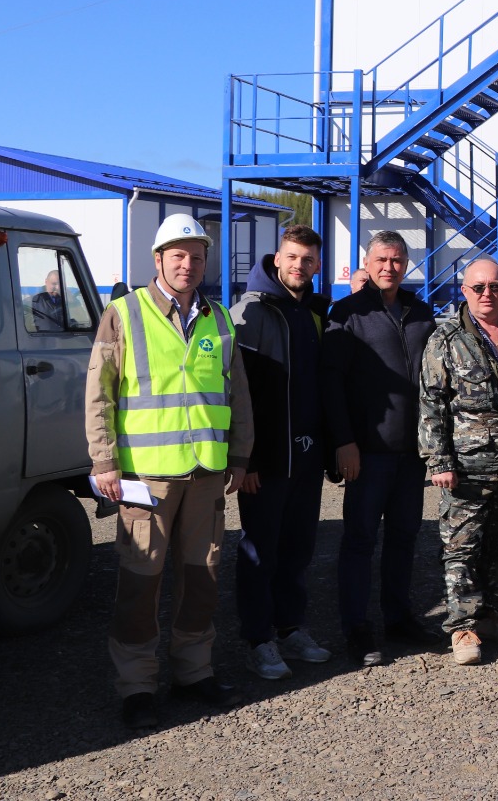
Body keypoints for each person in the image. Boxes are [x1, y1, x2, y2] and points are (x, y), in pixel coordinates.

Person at [85, 213, 254, 729]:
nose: (188, 264)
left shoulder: (220, 319)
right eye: (178, 255)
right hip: (147, 476)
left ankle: (193, 673)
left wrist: (240, 454)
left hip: (205, 472)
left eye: (196, 256)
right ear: (158, 260)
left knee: (201, 577)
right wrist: (104, 460)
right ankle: (137, 684)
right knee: (141, 581)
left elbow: (237, 394)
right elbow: (99, 392)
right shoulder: (124, 313)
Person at [321, 231, 439, 666]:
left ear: (406, 264)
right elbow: (330, 383)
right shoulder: (348, 313)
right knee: (359, 540)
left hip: (412, 453)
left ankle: (399, 618)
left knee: (405, 539)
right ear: (366, 264)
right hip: (366, 451)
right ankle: (356, 627)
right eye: (381, 259)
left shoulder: (421, 313)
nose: (389, 267)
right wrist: (343, 441)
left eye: (397, 260)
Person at [229, 224, 333, 681]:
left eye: (308, 260)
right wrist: (245, 461)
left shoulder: (311, 312)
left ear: (316, 265)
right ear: (276, 259)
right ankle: (259, 639)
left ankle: (290, 628)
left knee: (297, 550)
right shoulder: (247, 314)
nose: (299, 266)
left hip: (305, 458)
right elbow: (237, 395)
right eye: (292, 257)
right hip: (265, 463)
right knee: (259, 552)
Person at [419, 258, 498, 666]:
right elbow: (431, 403)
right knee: (461, 547)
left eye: (495, 287)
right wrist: (439, 460)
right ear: (464, 291)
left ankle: (489, 614)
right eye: (478, 287)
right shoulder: (446, 338)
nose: (487, 294)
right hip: (465, 465)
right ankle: (461, 625)